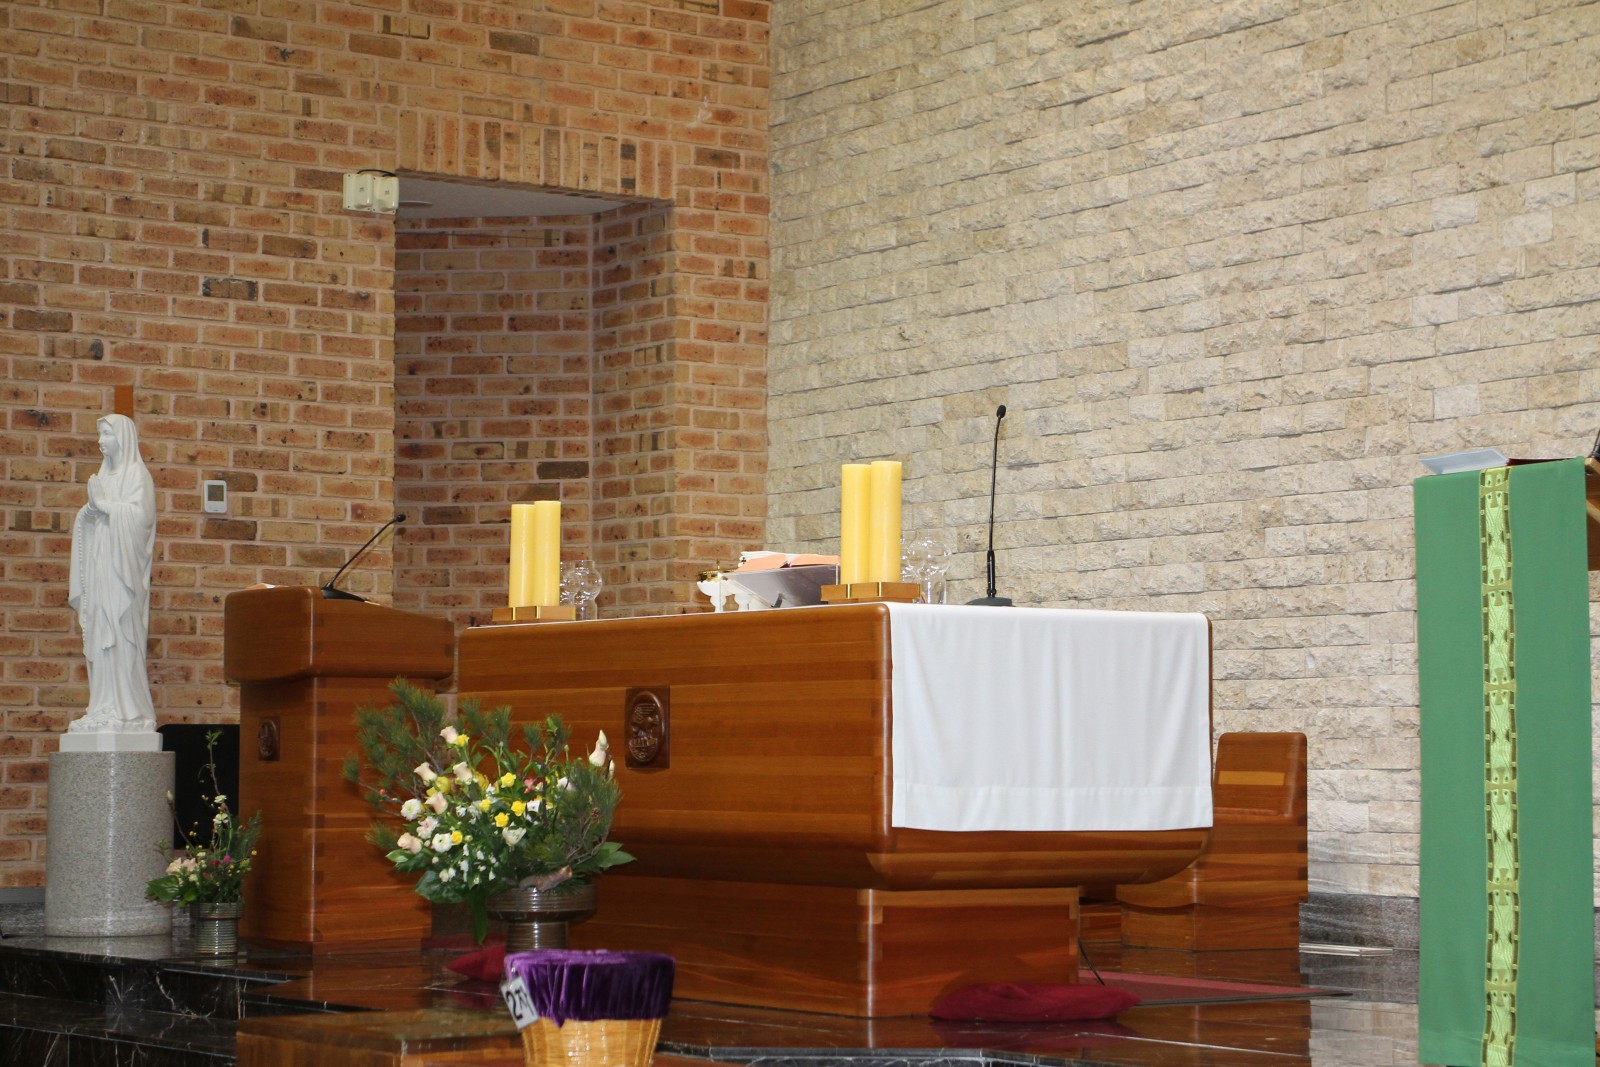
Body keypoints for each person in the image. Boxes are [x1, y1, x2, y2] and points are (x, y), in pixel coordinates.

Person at [67, 414, 157, 733]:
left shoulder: (137, 475)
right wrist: (91, 511)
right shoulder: (103, 477)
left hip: (122, 576)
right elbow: (90, 518)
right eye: (100, 435)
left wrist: (107, 507)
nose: (100, 441)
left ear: (123, 438)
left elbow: (142, 520)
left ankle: (127, 709)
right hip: (100, 567)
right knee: (99, 634)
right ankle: (103, 705)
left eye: (106, 434)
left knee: (120, 635)